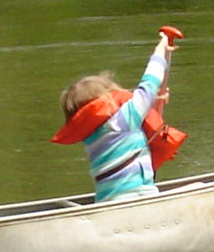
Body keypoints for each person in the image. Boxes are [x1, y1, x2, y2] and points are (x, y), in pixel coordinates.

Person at [50, 31, 188, 202]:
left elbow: (126, 132)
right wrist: (160, 50)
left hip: (106, 202)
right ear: (109, 98)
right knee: (199, 188)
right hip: (138, 200)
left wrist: (153, 100)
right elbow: (150, 82)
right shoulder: (124, 119)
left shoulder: (91, 136)